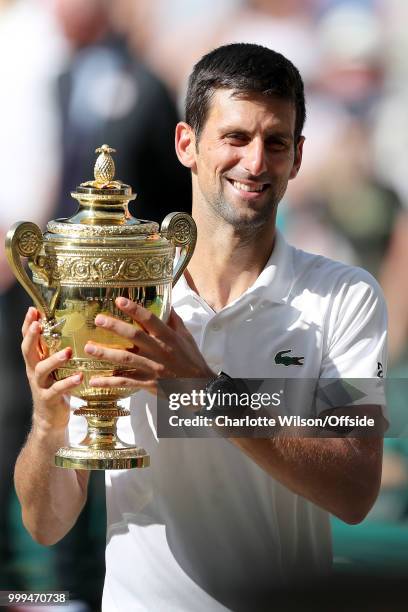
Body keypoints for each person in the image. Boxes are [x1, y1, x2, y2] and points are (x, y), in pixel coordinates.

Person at [15, 43, 387, 611]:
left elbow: (356, 488)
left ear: (299, 154)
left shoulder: (347, 296)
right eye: (235, 138)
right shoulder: (118, 294)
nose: (256, 162)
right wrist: (48, 423)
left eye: (276, 141)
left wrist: (205, 392)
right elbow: (45, 525)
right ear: (187, 144)